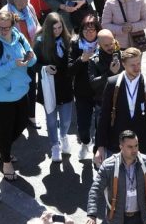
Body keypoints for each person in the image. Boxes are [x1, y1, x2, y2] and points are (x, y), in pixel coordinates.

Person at [0, 11, 37, 181]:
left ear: (13, 25)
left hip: (20, 91)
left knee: (21, 124)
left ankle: (0, 148)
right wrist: (13, 64)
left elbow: (31, 56)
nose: (3, 30)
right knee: (5, 131)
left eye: (6, 27)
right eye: (0, 27)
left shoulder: (18, 35)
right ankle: (6, 161)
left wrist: (30, 58)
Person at [95, 48, 146, 169]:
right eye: (132, 65)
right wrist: (99, 146)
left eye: (138, 63)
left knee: (139, 185)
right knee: (115, 184)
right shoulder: (112, 83)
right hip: (115, 145)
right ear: (123, 64)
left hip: (141, 146)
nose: (137, 68)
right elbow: (104, 116)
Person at [86, 130, 146, 224]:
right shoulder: (108, 166)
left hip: (139, 220)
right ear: (121, 147)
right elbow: (95, 190)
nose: (134, 150)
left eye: (136, 145)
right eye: (130, 147)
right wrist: (91, 215)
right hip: (117, 221)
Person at [0, 0, 41, 129]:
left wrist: (39, 39)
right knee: (17, 87)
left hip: (31, 53)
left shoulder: (29, 8)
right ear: (13, 1)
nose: (27, 1)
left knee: (32, 84)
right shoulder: (4, 14)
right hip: (15, 59)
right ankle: (17, 117)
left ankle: (31, 116)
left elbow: (37, 24)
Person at [34, 13, 74, 163]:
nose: (57, 31)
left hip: (65, 87)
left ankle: (63, 136)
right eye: (54, 28)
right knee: (51, 121)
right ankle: (54, 145)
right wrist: (44, 68)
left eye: (59, 27)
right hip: (48, 87)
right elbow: (34, 65)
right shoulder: (40, 42)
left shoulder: (68, 41)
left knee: (65, 121)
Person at [68, 14, 101, 160]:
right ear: (81, 31)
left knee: (100, 124)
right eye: (86, 30)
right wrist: (82, 60)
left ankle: (97, 150)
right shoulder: (75, 44)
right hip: (82, 92)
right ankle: (85, 143)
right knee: (83, 124)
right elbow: (69, 70)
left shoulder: (104, 43)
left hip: (100, 92)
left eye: (92, 30)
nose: (89, 33)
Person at [87, 28, 123, 108]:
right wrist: (110, 73)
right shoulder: (94, 60)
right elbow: (93, 83)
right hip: (103, 103)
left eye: (111, 43)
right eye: (106, 45)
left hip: (121, 101)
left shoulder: (123, 56)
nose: (110, 47)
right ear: (99, 44)